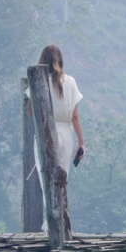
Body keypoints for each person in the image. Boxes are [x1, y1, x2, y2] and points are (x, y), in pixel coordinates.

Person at [34, 45, 86, 174]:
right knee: (62, 176)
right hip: (66, 132)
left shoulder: (38, 80)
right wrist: (81, 142)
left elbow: (31, 110)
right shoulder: (70, 81)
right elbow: (75, 116)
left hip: (45, 131)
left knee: (45, 176)